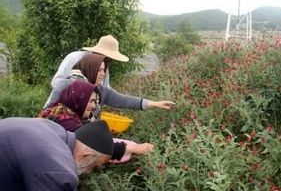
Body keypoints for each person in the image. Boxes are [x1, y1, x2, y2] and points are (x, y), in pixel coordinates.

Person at [0, 117, 152, 190]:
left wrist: (129, 148)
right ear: (85, 156)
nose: (89, 172)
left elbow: (98, 148)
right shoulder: (59, 171)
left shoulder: (55, 130)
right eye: (95, 166)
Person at [39, 80, 154, 163]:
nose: (94, 106)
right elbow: (89, 147)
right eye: (91, 101)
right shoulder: (65, 120)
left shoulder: (58, 109)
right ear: (79, 98)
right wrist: (134, 148)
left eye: (95, 102)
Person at [44, 53, 175, 119]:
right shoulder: (67, 85)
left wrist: (154, 104)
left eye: (104, 70)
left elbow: (124, 100)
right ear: (90, 69)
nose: (103, 74)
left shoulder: (99, 91)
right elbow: (46, 112)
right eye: (99, 70)